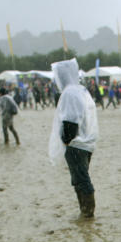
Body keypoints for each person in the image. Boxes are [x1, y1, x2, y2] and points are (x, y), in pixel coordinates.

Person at [48, 58, 98, 219]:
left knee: (81, 179)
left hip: (76, 143)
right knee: (80, 178)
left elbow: (70, 121)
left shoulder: (70, 93)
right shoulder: (81, 90)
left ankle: (87, 214)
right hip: (86, 142)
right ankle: (85, 211)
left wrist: (66, 140)